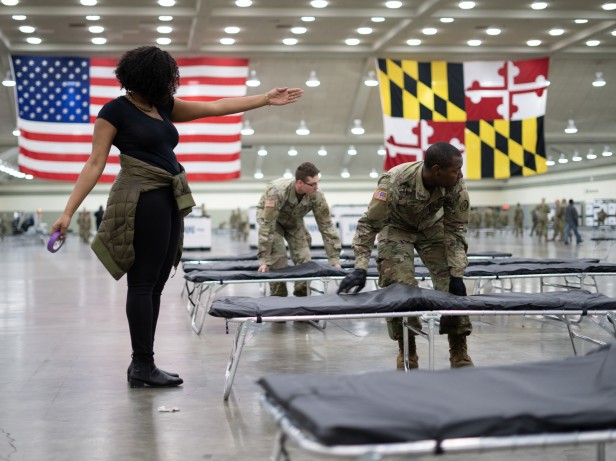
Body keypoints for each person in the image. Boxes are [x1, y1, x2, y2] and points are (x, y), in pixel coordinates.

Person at [50, 45, 302, 388]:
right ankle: (141, 363)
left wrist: (264, 99)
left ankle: (144, 363)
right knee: (142, 282)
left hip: (168, 197)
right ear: (149, 77)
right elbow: (95, 162)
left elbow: (214, 108)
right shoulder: (115, 112)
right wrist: (67, 212)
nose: (173, 82)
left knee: (155, 283)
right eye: (168, 76)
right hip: (141, 198)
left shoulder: (163, 107)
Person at [337, 142, 472, 370]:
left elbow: (456, 231)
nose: (460, 174)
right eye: (455, 170)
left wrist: (457, 274)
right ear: (437, 170)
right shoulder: (394, 181)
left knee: (451, 285)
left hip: (432, 228)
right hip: (396, 228)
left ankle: (459, 351)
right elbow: (369, 224)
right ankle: (407, 350)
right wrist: (360, 267)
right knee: (399, 288)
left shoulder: (456, 186)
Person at [256, 162, 342, 297]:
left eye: (317, 183)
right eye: (312, 184)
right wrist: (265, 259)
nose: (316, 187)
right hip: (273, 221)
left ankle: (302, 300)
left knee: (305, 259)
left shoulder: (317, 195)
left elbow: (327, 226)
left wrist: (334, 259)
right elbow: (267, 225)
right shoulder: (276, 192)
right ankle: (279, 301)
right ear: (299, 183)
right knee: (278, 260)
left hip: (294, 221)